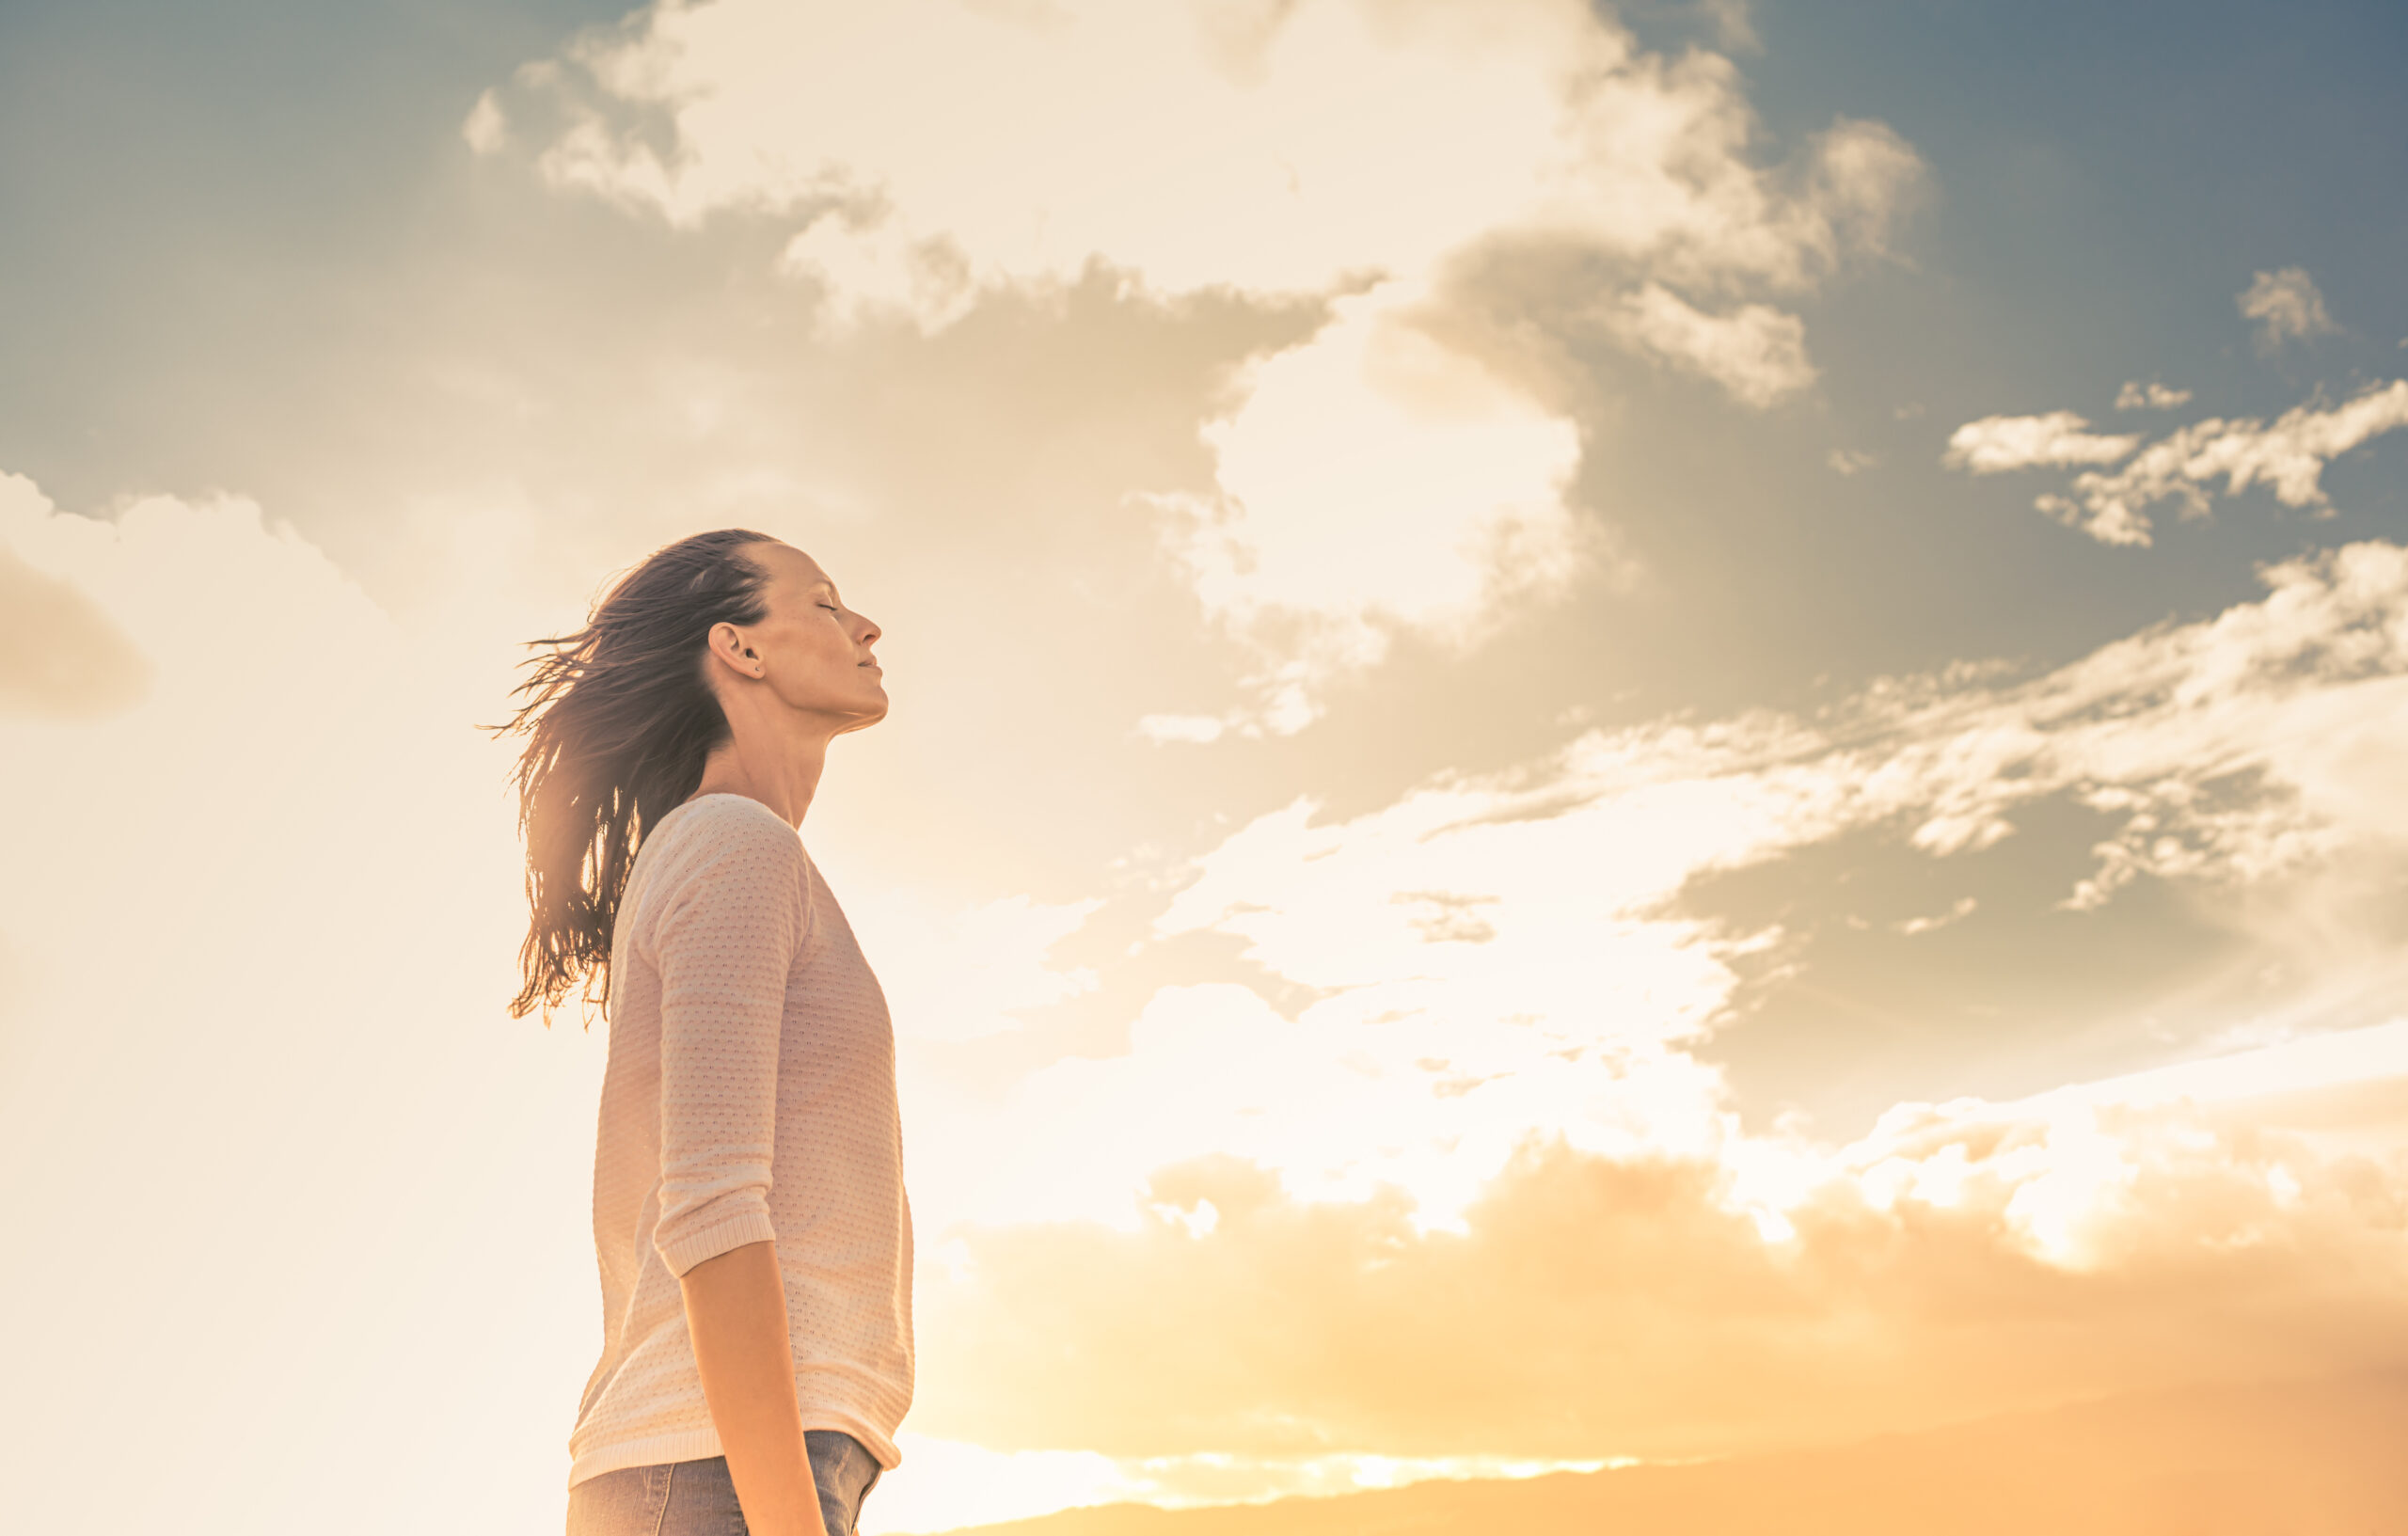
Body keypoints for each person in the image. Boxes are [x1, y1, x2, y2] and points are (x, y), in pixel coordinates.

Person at [497, 529, 911, 1536]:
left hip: (722, 1470)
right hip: (716, 1474)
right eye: (821, 601)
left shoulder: (728, 851)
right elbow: (714, 1207)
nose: (865, 625)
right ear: (741, 648)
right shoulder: (733, 843)